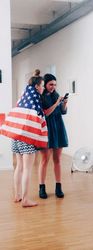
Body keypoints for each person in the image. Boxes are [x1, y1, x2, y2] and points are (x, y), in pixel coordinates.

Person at [1, 69, 47, 207]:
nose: (43, 88)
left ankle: (17, 195)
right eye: (42, 85)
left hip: (16, 136)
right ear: (37, 86)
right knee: (27, 168)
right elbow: (40, 118)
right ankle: (26, 200)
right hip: (26, 136)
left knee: (19, 166)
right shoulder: (36, 99)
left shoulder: (24, 96)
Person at [38, 73, 68, 199]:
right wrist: (56, 103)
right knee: (45, 160)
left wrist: (64, 103)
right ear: (45, 84)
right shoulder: (41, 97)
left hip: (58, 127)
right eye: (51, 84)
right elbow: (46, 113)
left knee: (58, 160)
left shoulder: (56, 94)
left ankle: (58, 187)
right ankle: (42, 187)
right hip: (47, 129)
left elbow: (63, 112)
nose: (53, 87)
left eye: (55, 84)